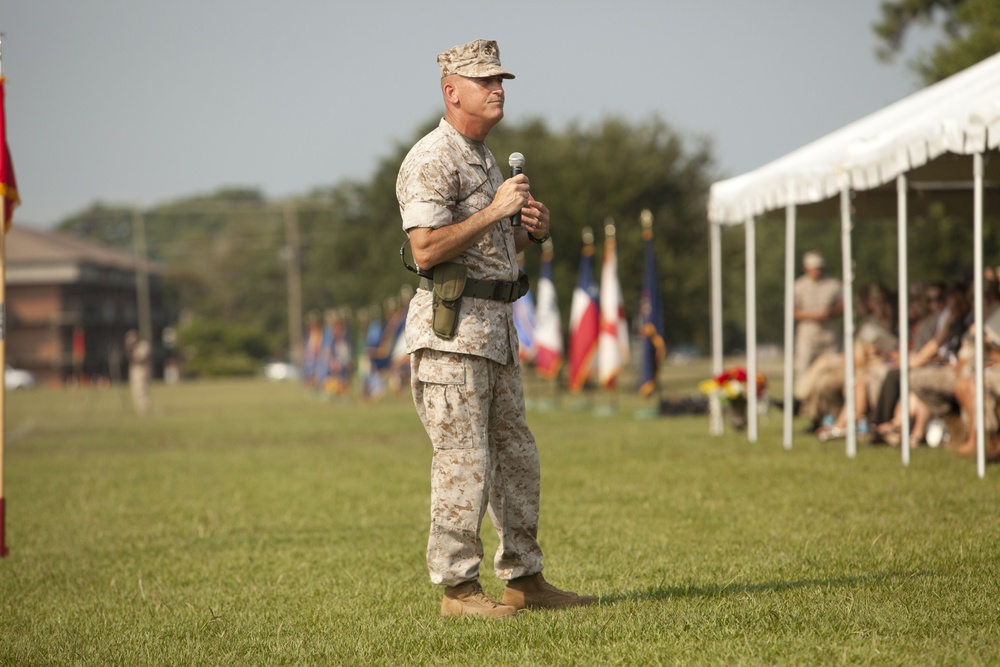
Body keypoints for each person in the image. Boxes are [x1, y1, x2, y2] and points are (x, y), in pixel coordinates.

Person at [396, 39, 595, 619]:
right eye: (484, 81)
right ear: (451, 91)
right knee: (463, 460)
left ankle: (524, 579)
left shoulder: (484, 157)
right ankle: (458, 591)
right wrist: (494, 212)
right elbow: (427, 248)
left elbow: (490, 249)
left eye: (500, 79)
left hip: (494, 332)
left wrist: (529, 231)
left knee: (515, 458)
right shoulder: (431, 158)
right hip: (451, 336)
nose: (497, 89)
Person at [124, 329, 151, 415]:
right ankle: (139, 408)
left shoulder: (143, 345)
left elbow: (140, 358)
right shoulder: (131, 348)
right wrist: (129, 348)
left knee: (141, 388)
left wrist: (133, 350)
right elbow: (129, 358)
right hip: (134, 369)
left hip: (142, 368)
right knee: (135, 388)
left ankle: (145, 408)